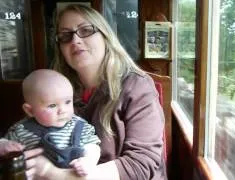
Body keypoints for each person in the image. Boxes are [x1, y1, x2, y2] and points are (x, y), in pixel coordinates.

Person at [24, 4, 167, 180]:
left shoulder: (137, 86)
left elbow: (140, 166)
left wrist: (54, 174)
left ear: (105, 36)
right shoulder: (55, 89)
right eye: (65, 35)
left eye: (85, 30)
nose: (75, 40)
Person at [4, 69, 101, 177]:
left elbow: (93, 146)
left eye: (68, 102)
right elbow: (5, 150)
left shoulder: (79, 126)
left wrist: (88, 161)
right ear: (30, 111)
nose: (62, 110)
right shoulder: (21, 130)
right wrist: (4, 145)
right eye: (52, 105)